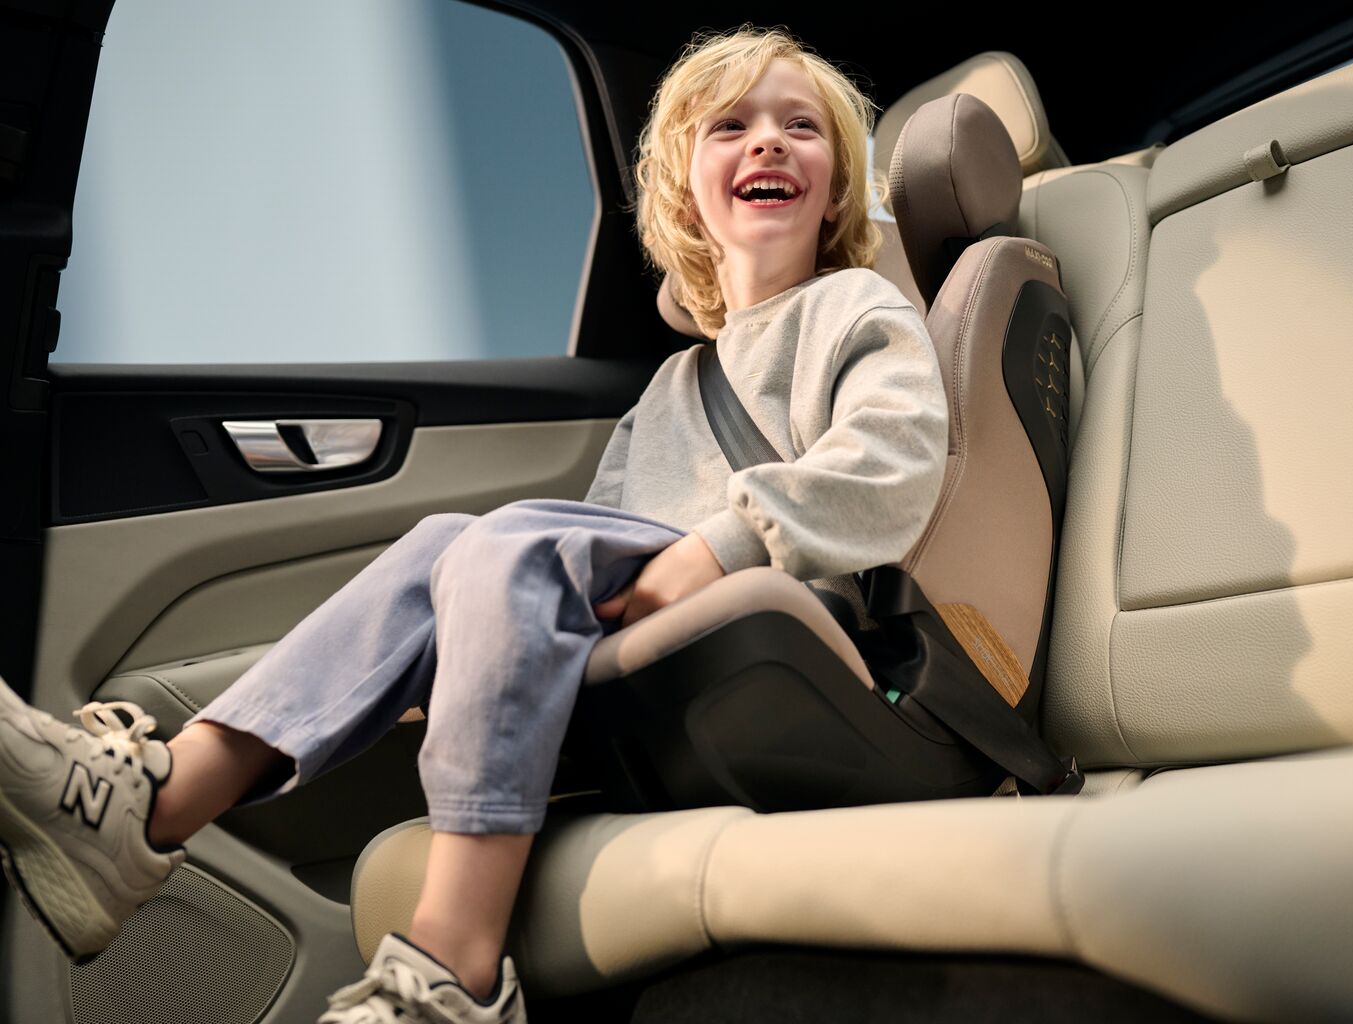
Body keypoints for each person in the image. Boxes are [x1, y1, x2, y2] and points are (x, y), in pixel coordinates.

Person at [0, 23, 948, 1024]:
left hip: (795, 647)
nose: (767, 141)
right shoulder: (675, 385)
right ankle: (150, 804)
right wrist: (468, 637)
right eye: (731, 126)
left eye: (800, 127)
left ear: (836, 192)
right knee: (447, 545)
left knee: (510, 542)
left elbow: (893, 464)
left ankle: (455, 970)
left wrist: (720, 547)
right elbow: (594, 538)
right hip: (664, 664)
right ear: (685, 198)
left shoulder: (858, 309)